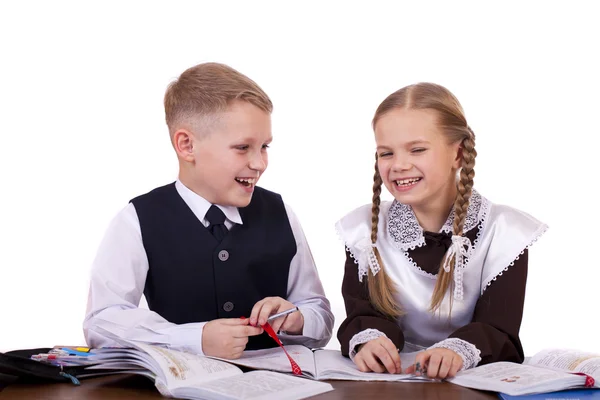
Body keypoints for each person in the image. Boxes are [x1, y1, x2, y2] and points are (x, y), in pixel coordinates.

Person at [83, 62, 334, 359]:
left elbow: (320, 315)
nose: (259, 163)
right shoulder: (137, 220)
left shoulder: (281, 214)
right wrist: (193, 337)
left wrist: (296, 318)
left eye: (264, 146)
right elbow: (102, 322)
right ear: (187, 145)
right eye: (243, 148)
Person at [336, 82, 547, 379]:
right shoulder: (364, 229)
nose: (399, 165)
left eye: (417, 149)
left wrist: (454, 352)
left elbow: (500, 330)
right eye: (386, 153)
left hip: (469, 383)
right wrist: (370, 342)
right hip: (391, 382)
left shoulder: (503, 231)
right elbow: (363, 314)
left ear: (458, 155)